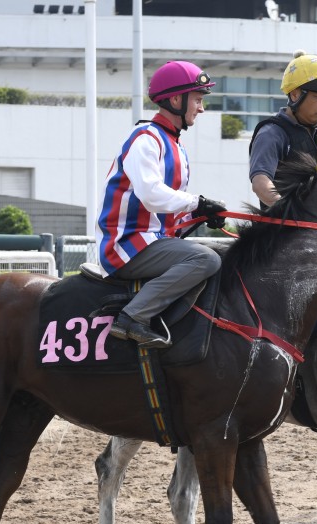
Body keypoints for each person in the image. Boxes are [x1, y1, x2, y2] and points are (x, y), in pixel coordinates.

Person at [98, 61, 226, 350]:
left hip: (153, 241)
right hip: (127, 245)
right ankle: (132, 317)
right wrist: (198, 201)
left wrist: (199, 213)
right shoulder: (145, 139)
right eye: (197, 99)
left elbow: (167, 207)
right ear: (175, 99)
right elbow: (152, 195)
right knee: (207, 259)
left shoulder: (175, 145)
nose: (201, 108)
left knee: (224, 254)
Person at [249, 51, 317, 207]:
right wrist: (292, 212)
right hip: (283, 229)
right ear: (294, 95)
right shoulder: (272, 134)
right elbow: (261, 185)